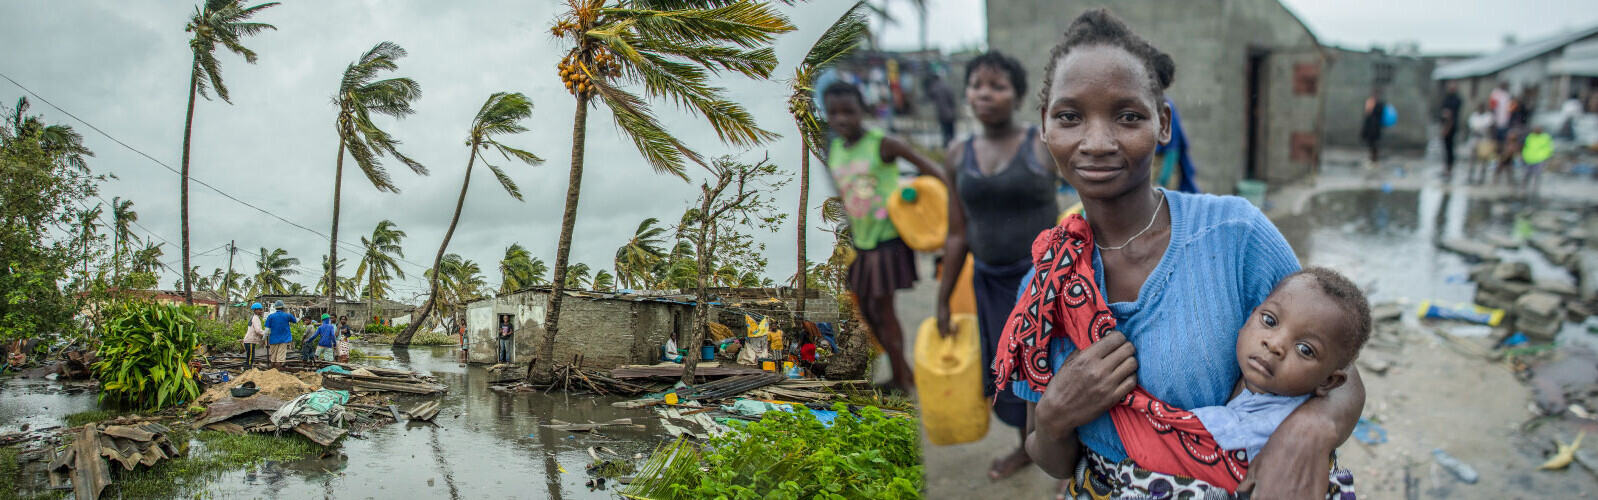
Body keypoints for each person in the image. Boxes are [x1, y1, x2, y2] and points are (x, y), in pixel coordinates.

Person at [991, 10, 1364, 499]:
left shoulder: (1234, 235)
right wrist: (1057, 416)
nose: (1098, 142)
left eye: (1128, 116)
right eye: (1069, 116)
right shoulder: (1044, 289)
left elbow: (1338, 367)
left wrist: (1310, 431)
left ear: (1162, 123)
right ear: (1045, 127)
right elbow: (1051, 457)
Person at [932, 50, 1059, 481]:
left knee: (1054, 371)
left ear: (1018, 95)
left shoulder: (1043, 145)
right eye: (977, 85)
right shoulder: (956, 154)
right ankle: (1024, 447)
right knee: (1008, 375)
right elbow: (956, 233)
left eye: (998, 86)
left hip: (1044, 286)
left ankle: (1068, 464)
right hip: (988, 284)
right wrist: (944, 298)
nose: (984, 94)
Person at [822, 80, 949, 393]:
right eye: (834, 113)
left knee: (883, 309)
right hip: (863, 242)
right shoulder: (836, 149)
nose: (842, 119)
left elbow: (934, 170)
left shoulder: (883, 144)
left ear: (862, 111)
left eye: (849, 112)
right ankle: (904, 370)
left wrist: (923, 199)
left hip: (889, 239)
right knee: (866, 309)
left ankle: (902, 379)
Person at [1188, 267, 1371, 463]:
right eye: (1269, 321)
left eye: (1305, 349)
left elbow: (1194, 434)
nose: (1275, 344)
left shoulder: (1277, 424)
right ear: (1250, 316)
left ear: (1328, 381)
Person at [925, 71, 959, 147]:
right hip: (951, 113)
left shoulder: (934, 87)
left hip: (942, 113)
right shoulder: (946, 86)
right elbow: (952, 98)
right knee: (951, 131)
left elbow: (929, 96)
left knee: (945, 132)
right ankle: (952, 145)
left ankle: (947, 146)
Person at [1467, 101, 1497, 184]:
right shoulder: (1474, 116)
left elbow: (1491, 128)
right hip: (1474, 139)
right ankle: (1470, 175)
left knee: (1483, 159)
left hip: (1484, 140)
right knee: (1472, 158)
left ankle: (1481, 176)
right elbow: (1471, 128)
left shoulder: (1488, 117)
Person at [263, 301, 297, 370]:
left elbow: (267, 330)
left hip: (273, 340)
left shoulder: (270, 316)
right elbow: (295, 321)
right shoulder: (287, 315)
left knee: (273, 358)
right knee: (279, 359)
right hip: (283, 339)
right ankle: (278, 373)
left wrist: (263, 339)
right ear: (283, 307)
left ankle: (271, 373)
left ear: (275, 308)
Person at [1521, 125, 1553, 195]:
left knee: (1537, 174)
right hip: (1529, 158)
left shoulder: (1545, 137)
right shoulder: (1530, 136)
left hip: (1540, 159)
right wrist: (1524, 155)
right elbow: (1526, 146)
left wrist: (1545, 156)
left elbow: (1549, 148)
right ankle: (1524, 188)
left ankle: (1535, 189)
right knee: (1527, 174)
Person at [1440, 82, 1463, 180]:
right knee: (1445, 148)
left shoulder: (1457, 100)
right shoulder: (1446, 99)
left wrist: (1448, 128)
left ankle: (1450, 168)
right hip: (1444, 126)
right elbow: (1443, 112)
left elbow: (1452, 115)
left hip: (1452, 127)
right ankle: (1446, 167)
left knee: (1450, 149)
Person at [1360, 88, 1386, 166]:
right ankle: (1372, 159)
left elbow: (1377, 115)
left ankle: (1375, 160)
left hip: (1375, 128)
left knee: (1374, 144)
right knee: (1371, 144)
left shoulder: (1379, 105)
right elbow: (1366, 115)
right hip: (1370, 128)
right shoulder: (1370, 103)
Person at [243, 302, 266, 368]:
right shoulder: (255, 318)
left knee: (250, 356)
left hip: (250, 340)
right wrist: (266, 333)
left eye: (261, 309)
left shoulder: (254, 317)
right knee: (250, 357)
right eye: (259, 310)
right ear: (255, 310)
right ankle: (248, 368)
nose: (261, 311)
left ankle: (248, 368)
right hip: (250, 340)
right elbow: (258, 330)